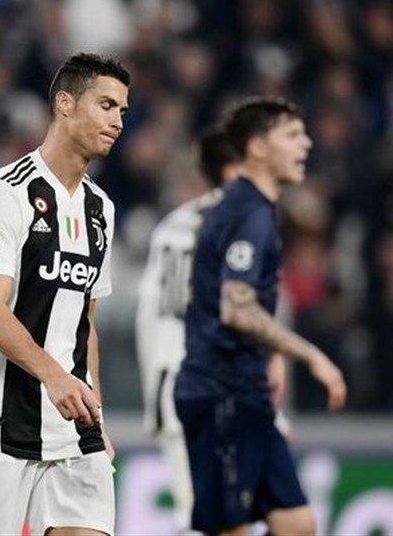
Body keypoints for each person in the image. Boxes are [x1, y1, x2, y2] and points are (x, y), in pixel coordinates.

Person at [0, 53, 129, 536]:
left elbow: (85, 323)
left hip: (73, 432)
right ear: (65, 103)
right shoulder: (4, 193)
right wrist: (55, 377)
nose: (117, 121)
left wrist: (97, 416)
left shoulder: (101, 209)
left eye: (123, 111)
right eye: (106, 105)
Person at [174, 98, 347, 536]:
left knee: (296, 523)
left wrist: (269, 355)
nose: (306, 144)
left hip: (244, 391)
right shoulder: (248, 213)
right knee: (229, 529)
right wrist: (311, 356)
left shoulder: (254, 208)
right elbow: (237, 306)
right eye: (292, 135)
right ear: (257, 147)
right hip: (221, 393)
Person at [135, 126, 242, 533]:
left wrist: (153, 394)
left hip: (169, 383)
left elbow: (147, 316)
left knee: (198, 512)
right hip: (214, 384)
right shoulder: (237, 225)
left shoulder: (168, 227)